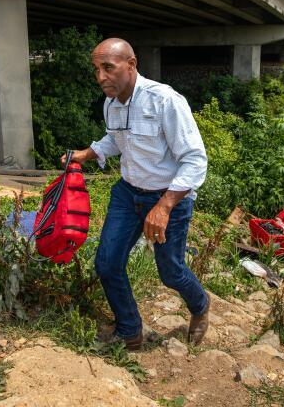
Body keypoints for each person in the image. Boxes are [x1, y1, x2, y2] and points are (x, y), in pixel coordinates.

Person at [63, 38, 209, 350]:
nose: (101, 77)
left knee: (170, 273)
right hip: (128, 194)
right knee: (107, 263)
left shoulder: (165, 102)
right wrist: (85, 154)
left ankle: (200, 306)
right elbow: (116, 140)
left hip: (170, 198)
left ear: (131, 65)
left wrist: (165, 206)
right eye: (97, 70)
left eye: (108, 68)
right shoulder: (111, 103)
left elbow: (195, 159)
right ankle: (129, 331)